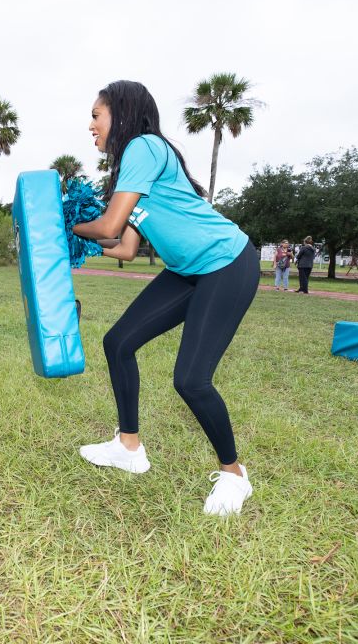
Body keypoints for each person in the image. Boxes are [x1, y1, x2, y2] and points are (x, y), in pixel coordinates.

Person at [71, 80, 260, 517]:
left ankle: (235, 475)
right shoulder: (129, 173)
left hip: (227, 263)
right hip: (187, 271)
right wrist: (79, 242)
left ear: (118, 113)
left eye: (96, 116)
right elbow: (125, 247)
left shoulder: (144, 147)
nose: (91, 126)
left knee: (191, 380)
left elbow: (107, 227)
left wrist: (65, 227)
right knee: (118, 343)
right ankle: (129, 447)